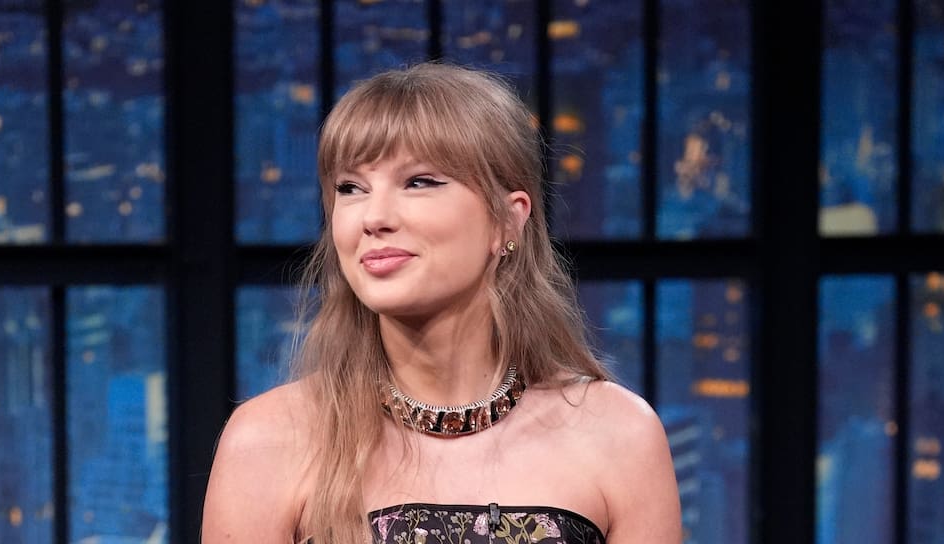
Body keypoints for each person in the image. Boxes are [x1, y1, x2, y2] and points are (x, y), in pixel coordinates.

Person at [203, 62, 681, 543]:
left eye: (419, 181)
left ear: (507, 221)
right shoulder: (267, 442)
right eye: (351, 188)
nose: (373, 217)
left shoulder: (618, 436)